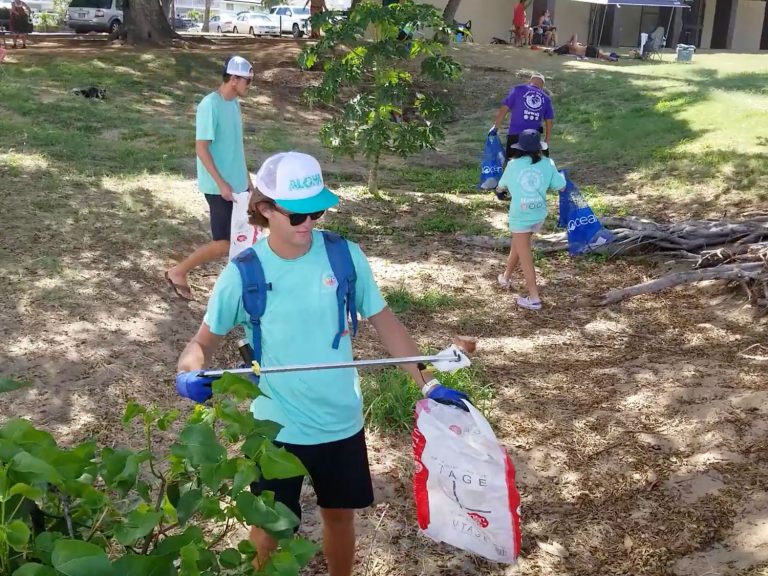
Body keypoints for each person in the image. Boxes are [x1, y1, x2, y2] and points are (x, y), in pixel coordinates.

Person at [174, 151, 470, 576]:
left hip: (340, 421)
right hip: (276, 428)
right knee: (269, 528)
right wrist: (189, 373)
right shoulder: (243, 274)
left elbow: (386, 323)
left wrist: (426, 382)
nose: (309, 223)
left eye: (316, 211)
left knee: (339, 516)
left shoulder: (344, 256)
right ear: (264, 209)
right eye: (297, 215)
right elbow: (201, 343)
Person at [165, 55, 255, 301]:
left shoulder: (235, 104)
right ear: (234, 79)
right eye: (247, 81)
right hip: (219, 187)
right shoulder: (210, 105)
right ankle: (177, 272)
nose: (249, 85)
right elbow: (202, 148)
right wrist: (221, 183)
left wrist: (248, 181)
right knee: (224, 243)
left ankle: (240, 289)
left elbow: (237, 148)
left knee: (243, 239)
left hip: (238, 185)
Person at [496, 130, 566, 310]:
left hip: (521, 214)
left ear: (519, 148)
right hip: (539, 214)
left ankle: (534, 298)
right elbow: (561, 185)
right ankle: (506, 277)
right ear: (538, 148)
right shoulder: (548, 163)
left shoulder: (513, 165)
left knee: (525, 254)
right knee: (519, 244)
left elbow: (501, 187)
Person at [492, 72, 554, 160]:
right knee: (530, 163)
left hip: (514, 135)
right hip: (532, 138)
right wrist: (546, 140)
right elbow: (549, 121)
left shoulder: (518, 89)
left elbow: (504, 109)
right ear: (542, 86)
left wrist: (496, 127)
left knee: (511, 164)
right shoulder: (546, 99)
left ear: (530, 82)